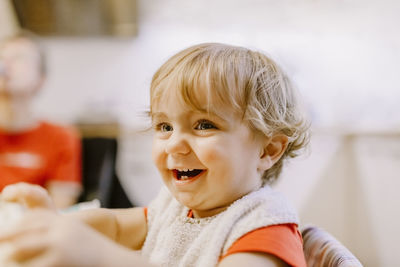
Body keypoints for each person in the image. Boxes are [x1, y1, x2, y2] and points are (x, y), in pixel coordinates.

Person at [0, 43, 310, 267]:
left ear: (268, 150)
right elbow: (116, 226)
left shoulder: (264, 231)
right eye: (164, 125)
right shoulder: (174, 208)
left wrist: (102, 257)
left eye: (204, 125)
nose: (174, 144)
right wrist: (55, 225)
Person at [0, 32, 82, 209]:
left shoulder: (61, 136)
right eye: (2, 57)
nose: (6, 64)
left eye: (19, 58)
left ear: (41, 79)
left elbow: (59, 209)